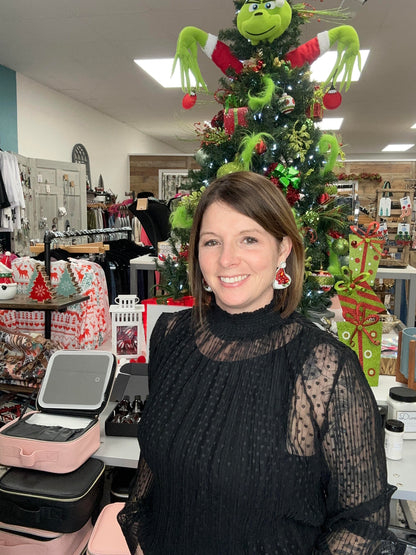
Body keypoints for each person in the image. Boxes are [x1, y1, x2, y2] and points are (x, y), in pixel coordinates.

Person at [118, 171, 403, 554]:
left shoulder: (324, 369)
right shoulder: (171, 335)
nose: (226, 259)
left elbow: (361, 524)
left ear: (282, 248)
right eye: (212, 241)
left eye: (248, 239)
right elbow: (156, 459)